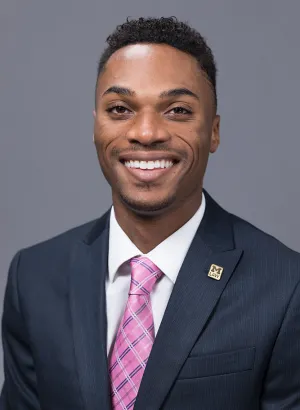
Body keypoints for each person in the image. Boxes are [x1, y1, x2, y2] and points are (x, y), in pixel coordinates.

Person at [1, 16, 300, 410]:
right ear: (96, 128)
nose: (145, 132)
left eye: (176, 110)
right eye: (120, 108)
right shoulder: (34, 277)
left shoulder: (285, 287)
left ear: (213, 131)